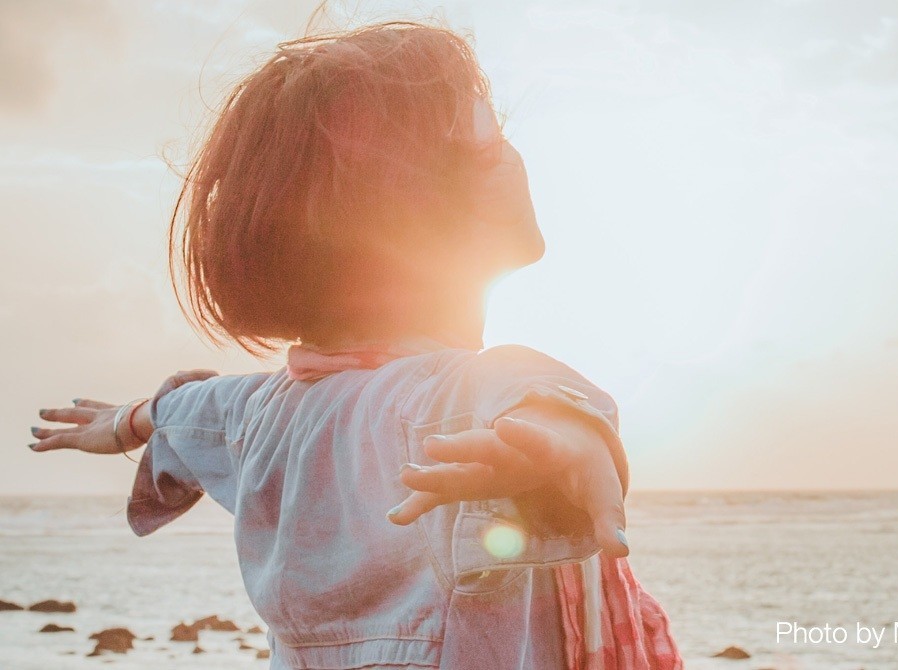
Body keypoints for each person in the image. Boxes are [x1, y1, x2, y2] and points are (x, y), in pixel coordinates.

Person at [28, 21, 681, 670]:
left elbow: (185, 412)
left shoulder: (260, 411)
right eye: (487, 134)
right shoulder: (446, 399)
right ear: (411, 207)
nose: (510, 150)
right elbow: (522, 398)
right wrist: (565, 442)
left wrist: (123, 423)